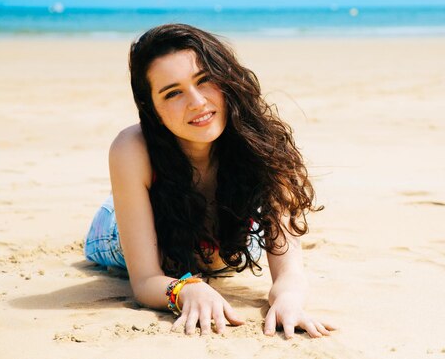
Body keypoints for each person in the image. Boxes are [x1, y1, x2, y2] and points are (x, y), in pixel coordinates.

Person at [84, 23, 334, 339]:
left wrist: (289, 299)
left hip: (224, 236)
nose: (197, 102)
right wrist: (186, 289)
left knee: (245, 242)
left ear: (227, 81)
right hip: (120, 230)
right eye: (173, 93)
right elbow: (145, 280)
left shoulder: (265, 147)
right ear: (152, 110)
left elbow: (289, 269)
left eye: (204, 81)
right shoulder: (132, 149)